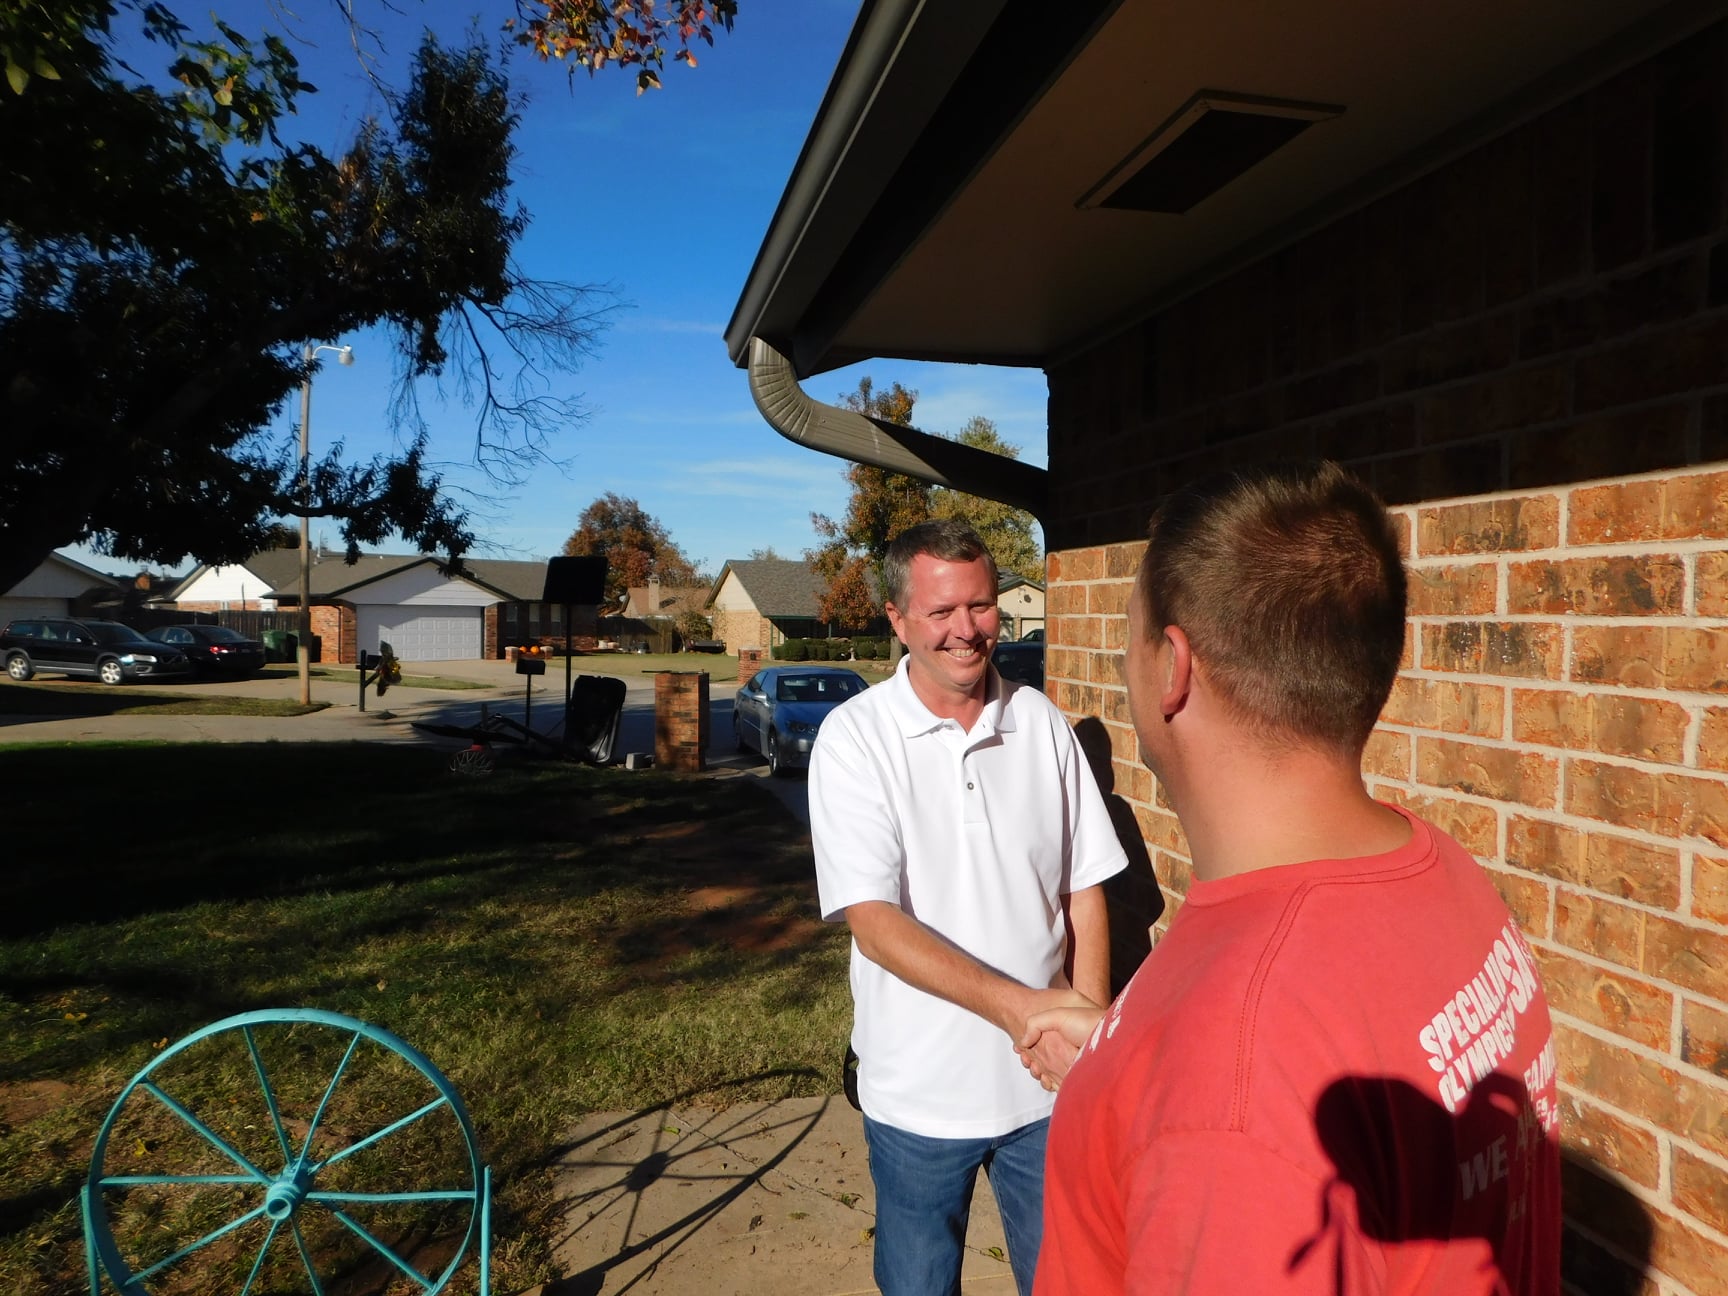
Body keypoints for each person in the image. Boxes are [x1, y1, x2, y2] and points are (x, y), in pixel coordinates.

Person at [1025, 463, 1561, 1295]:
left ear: (1172, 668)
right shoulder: (1441, 871)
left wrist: (1176, 1094)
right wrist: (1123, 1072)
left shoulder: (1232, 1077)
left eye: (1129, 637)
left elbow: (1242, 1105)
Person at [808, 518, 1127, 1296]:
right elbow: (875, 927)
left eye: (980, 607)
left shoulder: (1042, 723)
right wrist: (1028, 1014)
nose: (966, 631)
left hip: (1045, 1093)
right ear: (897, 619)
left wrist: (1085, 1027)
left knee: (1071, 1282)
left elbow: (1084, 888)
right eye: (942, 612)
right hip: (918, 1098)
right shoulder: (855, 739)